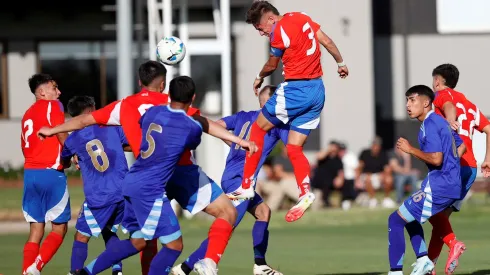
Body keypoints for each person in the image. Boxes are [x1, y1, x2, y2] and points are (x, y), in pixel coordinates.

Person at [37, 62, 247, 275]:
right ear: (163, 84)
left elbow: (83, 121)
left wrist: (53, 129)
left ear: (139, 82)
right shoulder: (172, 103)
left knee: (143, 240)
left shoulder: (124, 105)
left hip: (144, 175)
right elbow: (204, 123)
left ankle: (86, 272)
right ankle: (209, 261)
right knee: (226, 212)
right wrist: (236, 139)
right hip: (179, 173)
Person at [231, 0, 349, 223]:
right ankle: (305, 192)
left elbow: (272, 65)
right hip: (317, 91)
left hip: (296, 89)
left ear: (271, 19)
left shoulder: (279, 32)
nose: (261, 33)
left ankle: (246, 186)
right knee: (294, 147)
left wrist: (259, 76)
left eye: (260, 28)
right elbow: (326, 40)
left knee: (257, 128)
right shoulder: (300, 16)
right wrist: (340, 63)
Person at [172, 85, 286, 275]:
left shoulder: (243, 116)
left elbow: (216, 126)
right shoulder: (273, 124)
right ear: (268, 102)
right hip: (240, 181)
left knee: (263, 212)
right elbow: (294, 142)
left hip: (233, 177)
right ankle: (185, 268)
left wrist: (236, 145)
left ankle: (260, 264)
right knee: (227, 224)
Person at [387, 85, 466, 275]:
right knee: (409, 216)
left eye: (412, 100)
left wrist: (410, 149)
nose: (408, 105)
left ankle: (395, 271)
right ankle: (423, 259)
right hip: (450, 184)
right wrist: (452, 168)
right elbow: (460, 145)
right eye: (407, 100)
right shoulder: (440, 122)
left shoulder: (430, 124)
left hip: (440, 186)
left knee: (395, 221)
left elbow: (437, 158)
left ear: (426, 102)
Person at [429, 63, 490, 275]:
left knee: (430, 209)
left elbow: (448, 107)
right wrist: (487, 159)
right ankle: (429, 266)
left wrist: (451, 123)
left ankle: (453, 244)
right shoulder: (471, 105)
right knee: (440, 218)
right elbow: (489, 128)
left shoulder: (441, 95)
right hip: (470, 168)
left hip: (453, 164)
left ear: (438, 81)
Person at [61, 96, 129, 275]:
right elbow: (129, 143)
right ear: (91, 111)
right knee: (108, 231)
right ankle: (117, 270)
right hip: (124, 191)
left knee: (81, 236)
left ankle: (75, 272)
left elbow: (64, 159)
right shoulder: (112, 128)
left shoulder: (73, 138)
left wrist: (75, 156)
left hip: (100, 196)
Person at [22, 74, 70, 275]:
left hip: (30, 175)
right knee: (59, 229)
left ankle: (26, 271)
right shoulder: (53, 106)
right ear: (42, 92)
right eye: (54, 88)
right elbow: (61, 131)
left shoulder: (27, 114)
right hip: (51, 174)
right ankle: (35, 268)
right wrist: (71, 153)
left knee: (36, 231)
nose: (58, 93)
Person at [357, 137, 395, 208]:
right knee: (367, 178)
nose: (375, 147)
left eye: (377, 145)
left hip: (379, 176)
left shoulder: (383, 154)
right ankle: (372, 200)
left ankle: (386, 199)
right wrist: (357, 180)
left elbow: (387, 168)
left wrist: (383, 175)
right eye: (374, 145)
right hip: (366, 175)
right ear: (371, 145)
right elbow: (359, 167)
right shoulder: (364, 153)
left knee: (389, 179)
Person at [311, 141, 344, 209]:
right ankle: (324, 201)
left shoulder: (338, 160)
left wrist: (340, 179)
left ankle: (341, 202)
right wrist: (328, 150)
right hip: (318, 184)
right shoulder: (324, 156)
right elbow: (319, 156)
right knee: (315, 205)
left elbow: (341, 172)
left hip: (330, 184)